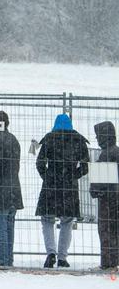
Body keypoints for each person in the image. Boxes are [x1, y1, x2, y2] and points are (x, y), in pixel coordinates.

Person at [36, 113, 89, 268]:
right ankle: (62, 257)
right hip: (69, 187)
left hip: (51, 185)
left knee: (47, 219)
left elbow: (40, 162)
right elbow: (85, 166)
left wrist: (47, 176)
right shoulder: (79, 140)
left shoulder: (49, 138)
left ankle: (50, 253)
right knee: (66, 221)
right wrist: (73, 176)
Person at [0, 111, 22, 267]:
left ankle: (1, 259)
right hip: (13, 186)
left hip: (1, 188)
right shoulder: (13, 139)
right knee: (9, 226)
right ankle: (8, 258)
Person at [91, 121, 119, 270]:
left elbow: (101, 181)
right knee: (115, 230)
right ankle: (114, 260)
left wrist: (94, 190)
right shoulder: (116, 151)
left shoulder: (106, 153)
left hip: (108, 200)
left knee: (106, 230)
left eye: (98, 136)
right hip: (115, 198)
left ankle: (108, 263)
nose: (97, 139)